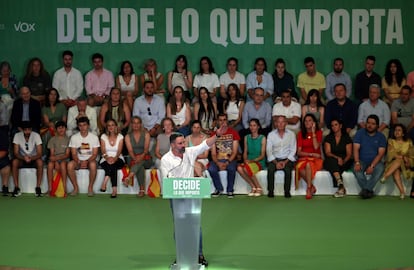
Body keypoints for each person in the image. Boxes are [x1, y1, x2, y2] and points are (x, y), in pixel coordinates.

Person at [160, 124, 227, 267]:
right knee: (179, 227)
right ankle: (181, 256)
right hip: (176, 198)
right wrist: (179, 185)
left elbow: (205, 145)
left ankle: (199, 255)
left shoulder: (189, 152)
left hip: (192, 195)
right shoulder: (166, 160)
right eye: (180, 143)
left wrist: (218, 135)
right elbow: (167, 180)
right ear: (172, 145)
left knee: (195, 226)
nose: (183, 144)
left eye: (184, 142)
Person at [352, 114, 386, 199]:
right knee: (357, 171)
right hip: (361, 160)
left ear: (377, 125)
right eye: (368, 123)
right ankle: (368, 191)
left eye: (373, 124)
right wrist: (357, 162)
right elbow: (355, 149)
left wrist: (372, 166)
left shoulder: (381, 137)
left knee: (380, 169)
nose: (370, 125)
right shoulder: (360, 133)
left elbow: (380, 154)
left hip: (375, 162)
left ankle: (365, 190)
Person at [67, 116, 100, 196]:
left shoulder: (94, 137)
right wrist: (78, 161)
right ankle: (75, 188)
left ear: (88, 126)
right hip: (78, 160)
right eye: (80, 125)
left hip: (90, 160)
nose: (82, 127)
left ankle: (90, 188)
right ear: (78, 126)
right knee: (70, 165)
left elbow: (95, 154)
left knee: (92, 165)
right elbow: (74, 153)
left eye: (84, 125)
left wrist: (86, 161)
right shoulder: (74, 137)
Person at [208, 114, 240, 198]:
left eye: (224, 120)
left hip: (230, 159)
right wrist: (217, 163)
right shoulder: (213, 134)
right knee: (211, 169)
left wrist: (228, 161)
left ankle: (230, 190)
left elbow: (235, 151)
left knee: (231, 168)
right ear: (218, 122)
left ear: (227, 121)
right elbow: (213, 153)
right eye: (220, 120)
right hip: (218, 159)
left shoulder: (233, 133)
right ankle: (218, 189)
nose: (222, 122)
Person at [380, 124, 414, 199]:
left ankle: (385, 176)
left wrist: (408, 161)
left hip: (406, 164)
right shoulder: (391, 141)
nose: (396, 132)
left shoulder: (409, 142)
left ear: (403, 133)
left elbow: (412, 156)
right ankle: (402, 192)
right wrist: (402, 157)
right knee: (397, 166)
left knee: (399, 161)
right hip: (392, 163)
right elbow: (390, 154)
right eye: (395, 130)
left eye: (399, 130)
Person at [266, 115, 297, 198]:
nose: (280, 124)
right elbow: (269, 151)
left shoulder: (291, 134)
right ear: (275, 123)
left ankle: (287, 191)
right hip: (274, 159)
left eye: (282, 122)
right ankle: (270, 191)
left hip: (287, 159)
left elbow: (293, 150)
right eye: (278, 122)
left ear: (286, 123)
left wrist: (285, 161)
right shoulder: (271, 135)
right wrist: (276, 163)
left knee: (288, 170)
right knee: (270, 170)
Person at [11, 121, 43, 197]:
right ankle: (16, 187)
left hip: (34, 158)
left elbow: (39, 153)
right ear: (22, 130)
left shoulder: (36, 135)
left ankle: (38, 187)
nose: (27, 131)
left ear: (31, 129)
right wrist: (23, 158)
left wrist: (31, 158)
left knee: (40, 162)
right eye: (25, 130)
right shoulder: (17, 136)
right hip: (22, 159)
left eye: (29, 129)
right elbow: (16, 153)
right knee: (14, 162)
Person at [295, 113, 323, 200]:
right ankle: (311, 187)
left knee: (308, 165)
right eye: (305, 121)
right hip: (304, 158)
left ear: (314, 122)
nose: (307, 123)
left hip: (316, 160)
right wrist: (310, 154)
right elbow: (299, 152)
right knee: (300, 167)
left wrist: (313, 132)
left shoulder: (319, 133)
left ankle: (308, 189)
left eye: (310, 120)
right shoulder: (300, 134)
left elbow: (315, 147)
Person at [323, 119, 353, 198]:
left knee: (335, 165)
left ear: (340, 126)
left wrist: (343, 161)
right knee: (331, 162)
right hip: (332, 158)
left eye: (336, 125)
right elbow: (328, 152)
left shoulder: (347, 138)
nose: (334, 127)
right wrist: (338, 158)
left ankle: (340, 187)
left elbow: (349, 154)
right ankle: (340, 184)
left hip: (345, 159)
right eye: (332, 125)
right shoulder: (328, 138)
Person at [237, 119, 266, 197]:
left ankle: (259, 187)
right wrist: (245, 160)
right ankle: (253, 186)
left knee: (246, 168)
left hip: (259, 161)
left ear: (258, 127)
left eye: (254, 125)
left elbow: (262, 155)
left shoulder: (262, 138)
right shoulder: (247, 137)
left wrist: (252, 161)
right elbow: (245, 151)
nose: (252, 127)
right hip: (249, 161)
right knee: (239, 168)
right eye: (251, 125)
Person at [124, 116, 151, 197]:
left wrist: (140, 158)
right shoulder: (128, 136)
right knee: (140, 167)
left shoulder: (146, 134)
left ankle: (129, 177)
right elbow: (130, 151)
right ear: (131, 125)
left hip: (146, 158)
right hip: (133, 158)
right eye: (134, 123)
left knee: (141, 162)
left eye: (138, 123)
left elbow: (146, 150)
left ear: (140, 124)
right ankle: (142, 189)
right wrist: (135, 158)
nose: (136, 125)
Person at [99, 119, 125, 198]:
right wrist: (107, 158)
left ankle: (105, 182)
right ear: (106, 127)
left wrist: (114, 158)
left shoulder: (120, 137)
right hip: (105, 157)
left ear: (116, 126)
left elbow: (119, 151)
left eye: (112, 125)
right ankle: (114, 190)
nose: (111, 127)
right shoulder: (103, 136)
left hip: (118, 158)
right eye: (109, 125)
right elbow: (103, 150)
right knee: (112, 166)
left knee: (113, 164)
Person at [46, 121, 70, 196]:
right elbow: (52, 154)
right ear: (56, 129)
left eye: (63, 128)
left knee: (63, 164)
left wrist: (57, 159)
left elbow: (67, 154)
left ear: (66, 129)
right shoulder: (52, 139)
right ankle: (50, 188)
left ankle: (65, 188)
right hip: (54, 158)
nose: (61, 130)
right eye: (59, 128)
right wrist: (56, 162)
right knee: (50, 165)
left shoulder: (68, 139)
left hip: (64, 159)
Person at [0, 121, 11, 196]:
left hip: (1, 157)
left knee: (6, 166)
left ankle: (5, 187)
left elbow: (4, 151)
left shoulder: (2, 133)